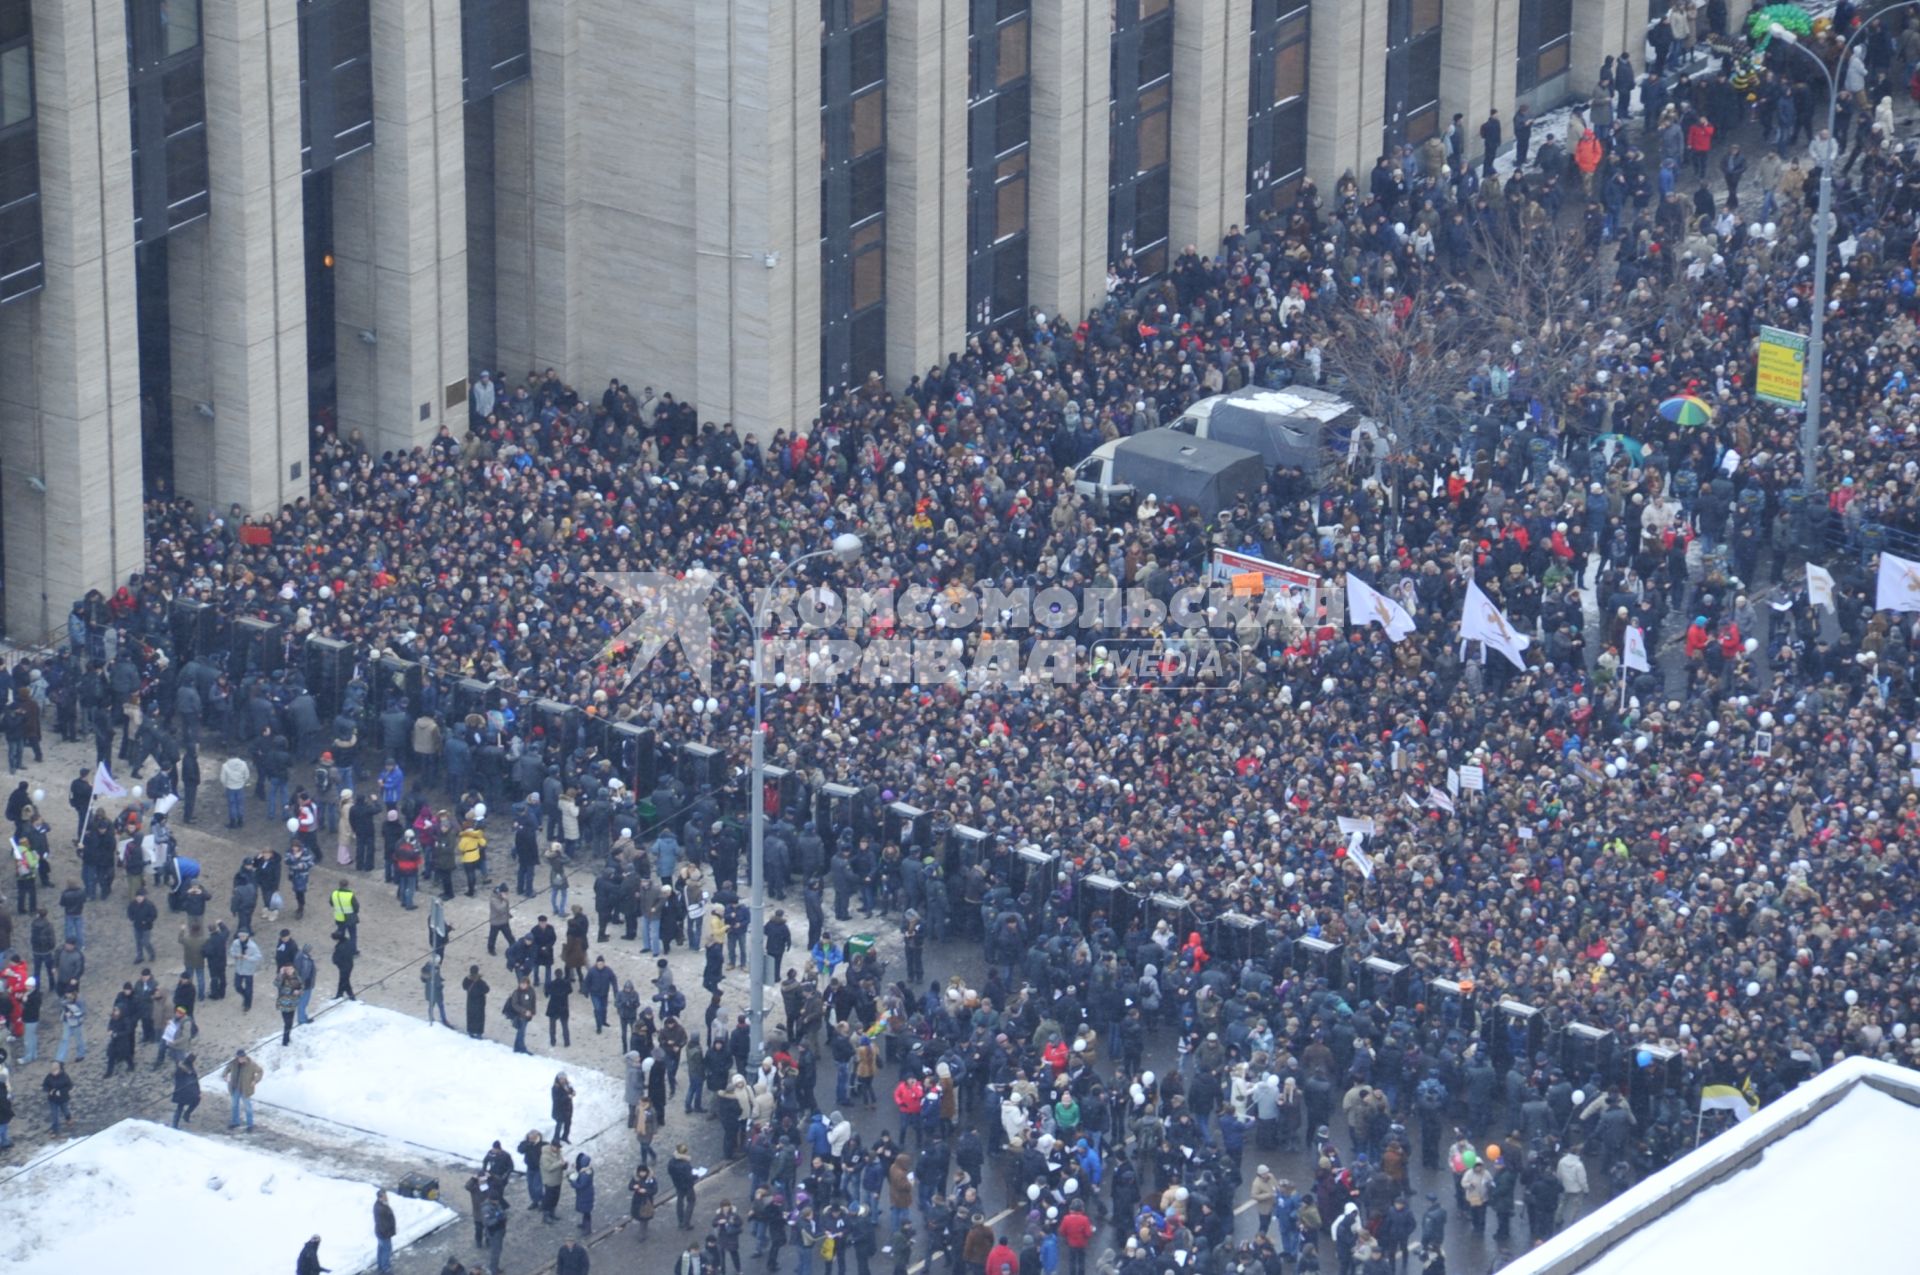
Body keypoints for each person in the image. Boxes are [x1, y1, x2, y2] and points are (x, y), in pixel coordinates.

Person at [224, 1046, 264, 1131]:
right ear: (237, 1057)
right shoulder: (233, 1063)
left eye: (243, 1057)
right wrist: (225, 1075)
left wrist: (255, 1080)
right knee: (234, 1105)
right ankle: (235, 1122)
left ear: (245, 1056)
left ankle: (250, 1125)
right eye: (240, 1057)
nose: (242, 1059)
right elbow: (226, 1069)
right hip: (235, 1088)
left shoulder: (251, 1064)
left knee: (248, 1107)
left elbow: (260, 1071)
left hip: (245, 1089)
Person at [669, 1141, 698, 1229]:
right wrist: (696, 1176)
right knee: (691, 1202)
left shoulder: (671, 1162)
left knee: (680, 1202)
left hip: (678, 1185)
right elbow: (689, 1177)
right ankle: (686, 1222)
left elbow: (669, 1172)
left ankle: (680, 1221)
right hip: (687, 1186)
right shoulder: (685, 1165)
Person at [171, 1051, 201, 1127]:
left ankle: (185, 1115)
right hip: (182, 1090)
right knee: (180, 1106)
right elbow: (178, 1077)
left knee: (194, 1101)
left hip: (186, 1091)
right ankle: (175, 1123)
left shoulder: (189, 1067)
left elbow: (194, 1080)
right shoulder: (183, 1068)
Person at [275, 964, 303, 1046]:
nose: (290, 971)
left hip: (292, 1004)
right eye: (288, 969)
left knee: (289, 1023)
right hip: (284, 1004)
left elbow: (301, 985)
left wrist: (300, 991)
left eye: (291, 969)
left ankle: (287, 1038)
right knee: (287, 1023)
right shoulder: (282, 978)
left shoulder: (296, 977)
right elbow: (277, 984)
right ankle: (285, 1041)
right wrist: (280, 973)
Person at [569, 1150, 596, 1232]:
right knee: (586, 1211)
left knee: (586, 1212)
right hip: (587, 1194)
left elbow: (580, 1185)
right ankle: (585, 1225)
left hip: (585, 1195)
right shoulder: (587, 1171)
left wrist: (572, 1182)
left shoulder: (585, 1174)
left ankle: (587, 1229)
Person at [422, 953, 451, 1027]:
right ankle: (443, 1019)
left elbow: (424, 979)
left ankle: (431, 1018)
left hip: (430, 990)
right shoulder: (434, 969)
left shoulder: (428, 967)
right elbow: (436, 980)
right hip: (435, 991)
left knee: (432, 1005)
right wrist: (440, 985)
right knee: (440, 1006)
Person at [43, 1059, 73, 1133]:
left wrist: (61, 1091)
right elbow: (45, 1085)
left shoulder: (65, 1076)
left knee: (65, 1110)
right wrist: (49, 1091)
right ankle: (55, 1130)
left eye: (55, 1071)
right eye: (52, 1071)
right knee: (54, 1115)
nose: (53, 1073)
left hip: (63, 1098)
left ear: (59, 1070)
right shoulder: (49, 1077)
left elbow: (70, 1086)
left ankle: (68, 1118)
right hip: (53, 1099)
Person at [373, 1188, 398, 1274]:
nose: (387, 1197)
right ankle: (385, 1268)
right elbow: (383, 1224)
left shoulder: (380, 1205)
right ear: (380, 1197)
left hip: (380, 1233)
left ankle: (381, 1265)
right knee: (386, 1250)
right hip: (384, 1234)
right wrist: (388, 1232)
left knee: (381, 1249)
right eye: (385, 1196)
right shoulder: (381, 1209)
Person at [553, 1070, 577, 1142]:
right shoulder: (555, 1088)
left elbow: (571, 1091)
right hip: (559, 1110)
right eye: (560, 1078)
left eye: (563, 1078)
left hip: (568, 1109)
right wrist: (568, 1097)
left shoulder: (567, 1085)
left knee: (568, 1124)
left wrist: (573, 1093)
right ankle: (556, 1139)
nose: (562, 1080)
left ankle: (565, 1137)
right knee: (559, 1125)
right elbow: (556, 1099)